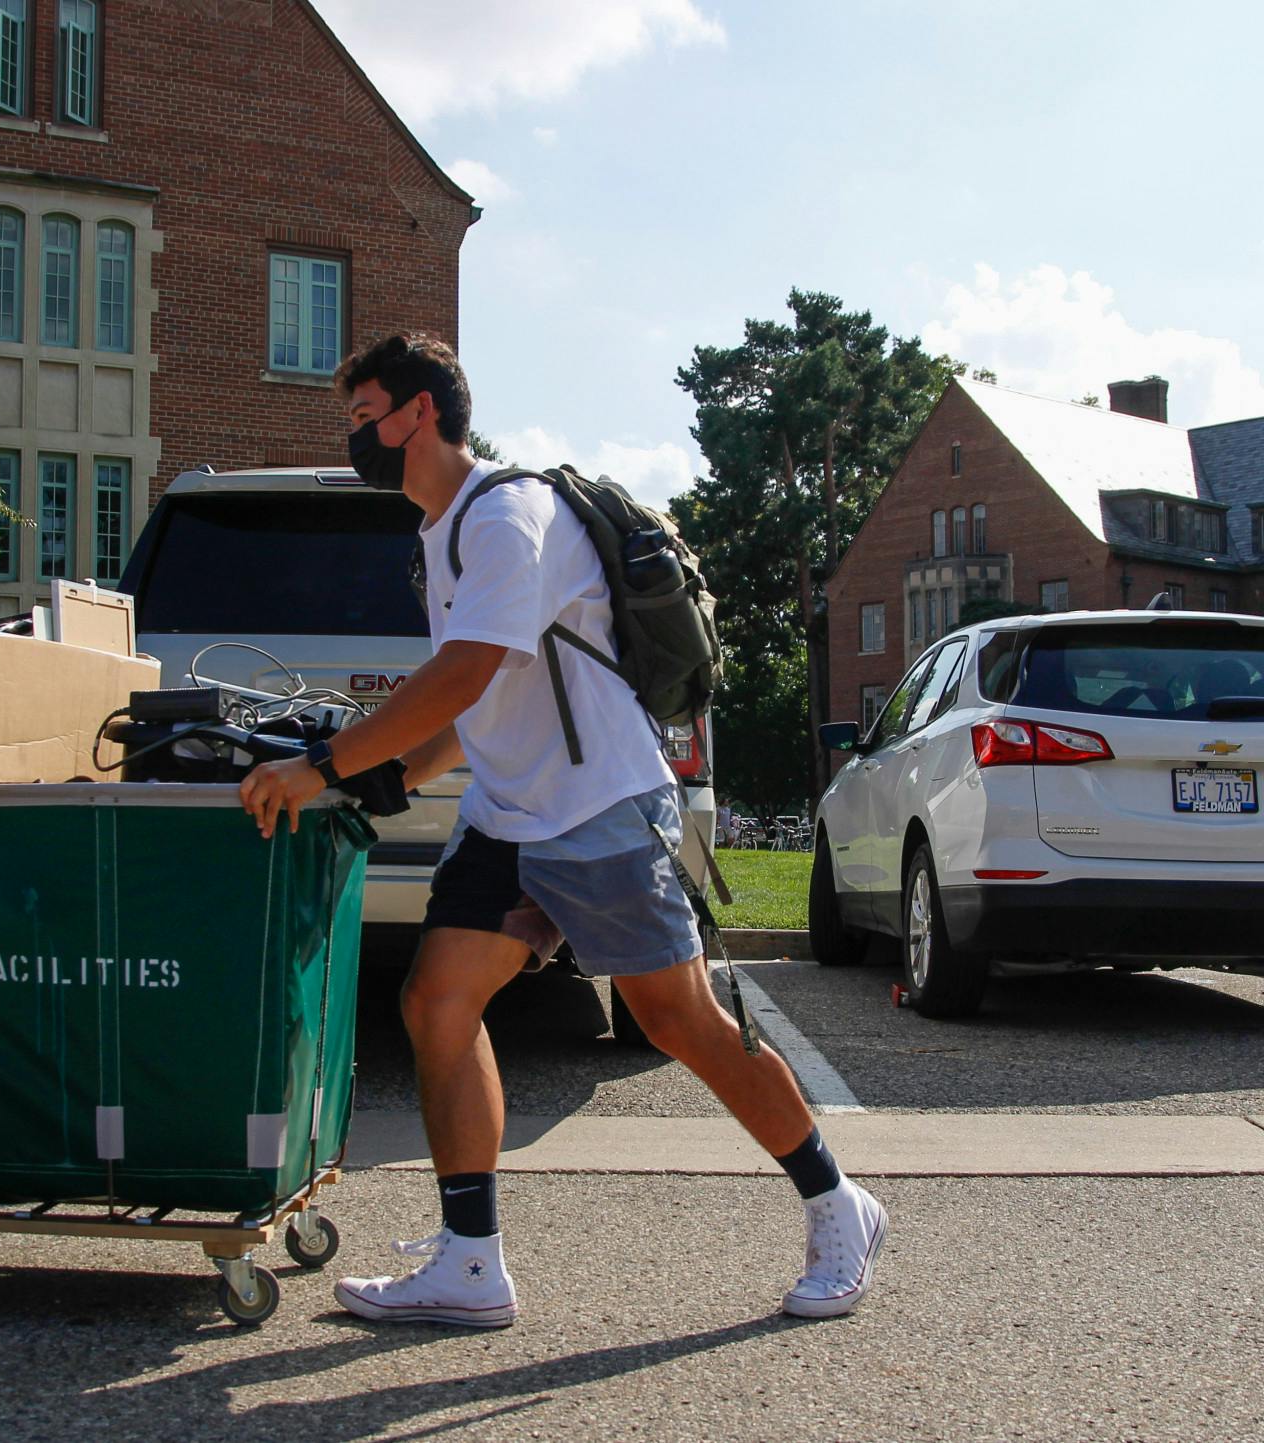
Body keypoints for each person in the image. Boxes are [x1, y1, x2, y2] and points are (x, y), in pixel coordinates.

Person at [239, 333, 886, 1329]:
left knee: (681, 1025)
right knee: (436, 1002)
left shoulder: (508, 516)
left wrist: (322, 765)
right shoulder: (440, 531)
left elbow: (461, 671)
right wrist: (391, 782)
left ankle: (836, 1203)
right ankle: (469, 1261)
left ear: (418, 412)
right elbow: (480, 703)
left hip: (596, 807)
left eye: (362, 413)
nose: (353, 433)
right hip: (507, 816)